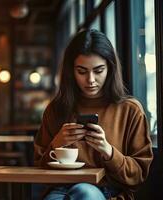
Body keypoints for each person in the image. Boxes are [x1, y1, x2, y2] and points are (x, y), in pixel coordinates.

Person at [34, 29, 153, 200]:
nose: (90, 80)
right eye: (82, 72)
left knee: (85, 193)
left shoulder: (130, 110)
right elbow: (38, 168)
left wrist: (108, 151)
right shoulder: (56, 109)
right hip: (60, 190)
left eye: (98, 71)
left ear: (110, 69)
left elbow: (139, 174)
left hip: (108, 192)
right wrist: (57, 143)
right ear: (71, 71)